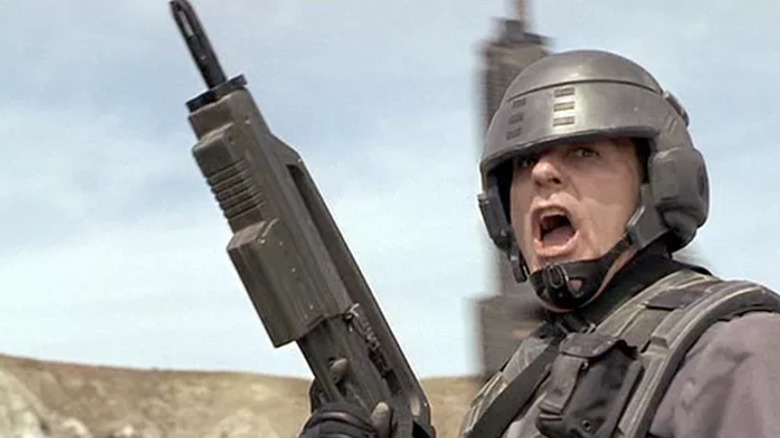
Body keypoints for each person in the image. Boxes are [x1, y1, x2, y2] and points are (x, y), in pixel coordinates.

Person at [298, 50, 780, 438]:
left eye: (584, 152)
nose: (544, 173)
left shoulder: (737, 350)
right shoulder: (521, 381)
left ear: (661, 183)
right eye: (524, 164)